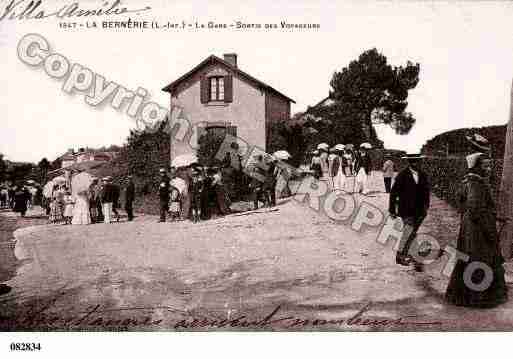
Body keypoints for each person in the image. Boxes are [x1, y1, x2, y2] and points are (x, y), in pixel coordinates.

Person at [445, 152, 508, 308]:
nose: (489, 169)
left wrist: (494, 217)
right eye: (485, 165)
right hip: (478, 230)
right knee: (480, 260)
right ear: (476, 167)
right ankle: (479, 299)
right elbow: (475, 209)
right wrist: (490, 229)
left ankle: (462, 295)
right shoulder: (476, 184)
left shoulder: (468, 181)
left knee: (468, 259)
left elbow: (463, 202)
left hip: (469, 227)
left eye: (489, 165)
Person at [389, 154, 430, 271]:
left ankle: (411, 254)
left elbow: (426, 192)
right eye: (413, 162)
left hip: (420, 210)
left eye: (418, 161)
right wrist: (392, 209)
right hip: (406, 209)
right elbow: (393, 193)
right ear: (409, 162)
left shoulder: (423, 175)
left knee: (413, 232)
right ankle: (400, 255)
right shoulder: (402, 175)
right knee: (408, 231)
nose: (416, 164)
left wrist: (426, 206)